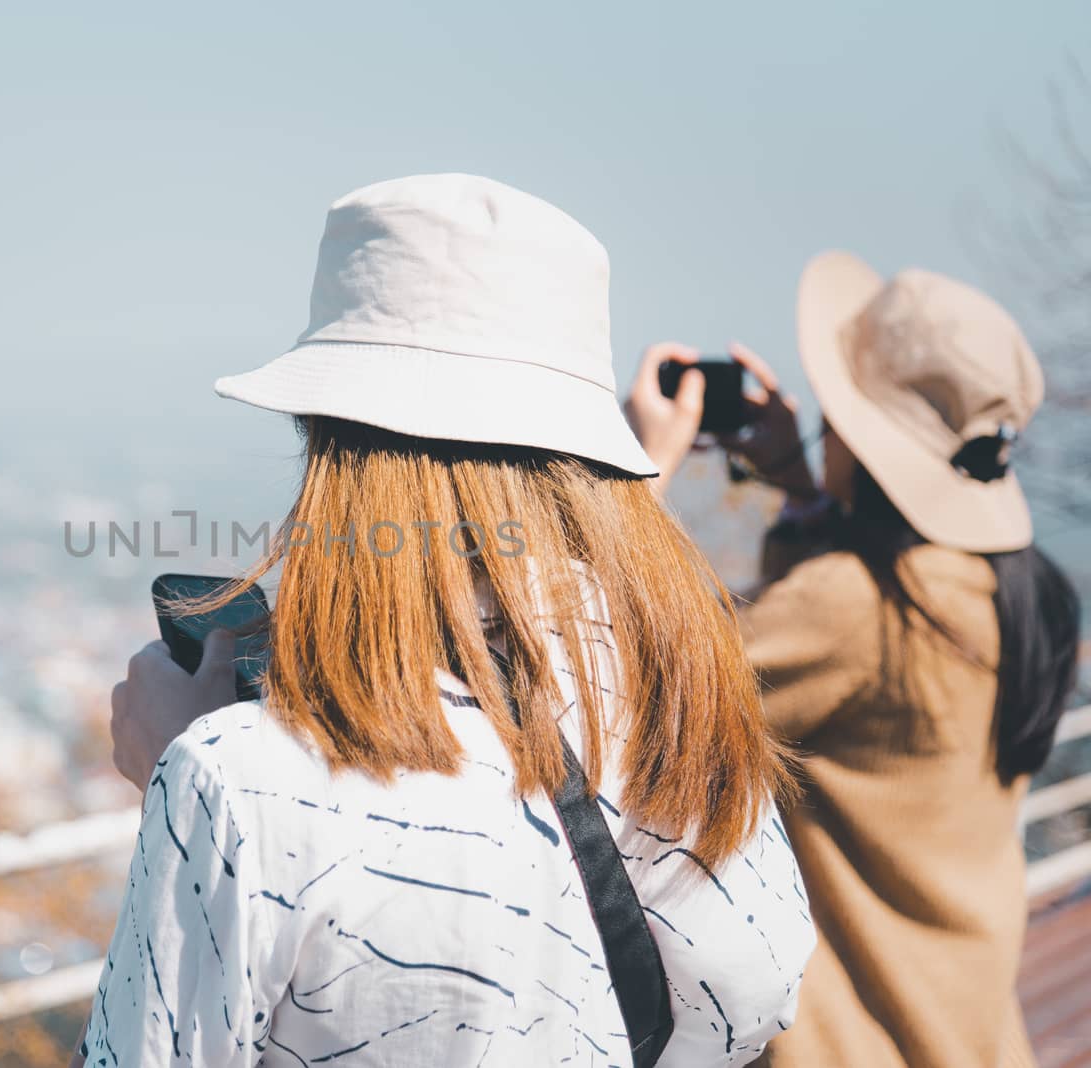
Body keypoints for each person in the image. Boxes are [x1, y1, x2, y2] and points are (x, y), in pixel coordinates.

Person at [74, 174, 814, 1068]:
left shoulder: (239, 780)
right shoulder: (670, 687)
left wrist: (186, 790)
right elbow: (759, 991)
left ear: (333, 441)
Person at [623, 253, 1082, 1068]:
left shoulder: (858, 607)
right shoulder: (1010, 593)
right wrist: (800, 486)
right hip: (976, 1036)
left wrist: (633, 483)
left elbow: (638, 688)